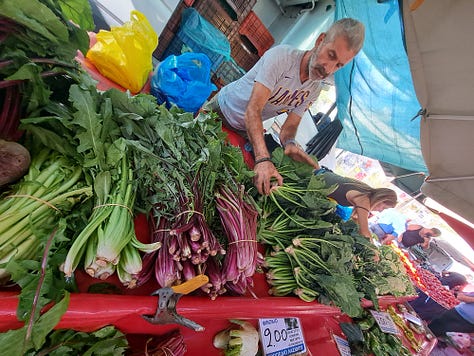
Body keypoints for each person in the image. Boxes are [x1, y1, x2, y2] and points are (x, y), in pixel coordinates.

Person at [202, 18, 365, 195]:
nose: (329, 69)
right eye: (331, 55)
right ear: (320, 40)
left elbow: (291, 126)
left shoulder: (314, 90)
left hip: (244, 130)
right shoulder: (282, 58)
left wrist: (289, 143)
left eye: (339, 65)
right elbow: (253, 110)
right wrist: (263, 158)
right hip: (221, 110)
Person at [314, 168, 397, 239]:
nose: (380, 211)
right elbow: (365, 232)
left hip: (319, 177)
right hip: (314, 180)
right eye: (384, 208)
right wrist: (375, 252)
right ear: (381, 199)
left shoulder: (366, 191)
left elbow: (356, 219)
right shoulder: (364, 200)